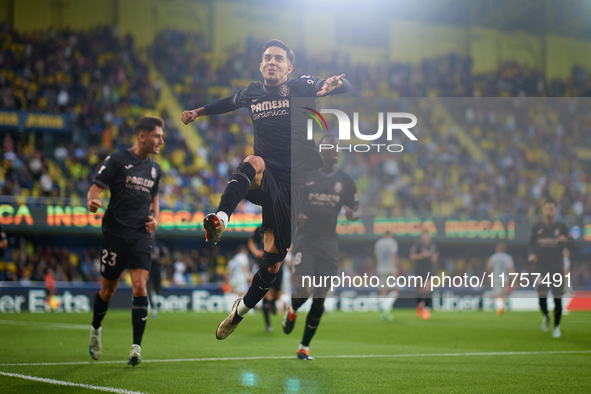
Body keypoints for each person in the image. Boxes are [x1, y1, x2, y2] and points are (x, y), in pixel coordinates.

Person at [181, 39, 350, 340]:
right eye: (267, 58)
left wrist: (333, 85)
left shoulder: (300, 87)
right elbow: (228, 103)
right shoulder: (252, 92)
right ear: (261, 65)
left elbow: (330, 86)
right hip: (265, 176)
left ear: (289, 67)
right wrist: (198, 111)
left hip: (294, 185)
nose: (272, 62)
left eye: (279, 59)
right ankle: (221, 217)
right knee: (252, 160)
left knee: (272, 267)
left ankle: (239, 312)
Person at [87, 116, 164, 365]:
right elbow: (95, 188)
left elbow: (154, 199)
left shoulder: (155, 169)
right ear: (142, 136)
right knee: (107, 291)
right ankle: (96, 329)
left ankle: (136, 347)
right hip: (115, 235)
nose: (161, 141)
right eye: (157, 136)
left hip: (141, 235)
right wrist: (93, 200)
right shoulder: (117, 160)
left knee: (140, 286)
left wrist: (156, 218)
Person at [282, 134, 360, 360]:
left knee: (320, 297)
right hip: (305, 239)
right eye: (330, 146)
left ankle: (304, 347)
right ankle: (293, 308)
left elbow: (357, 209)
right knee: (304, 290)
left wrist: (352, 214)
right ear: (321, 150)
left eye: (338, 146)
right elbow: (289, 202)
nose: (335, 149)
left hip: (328, 242)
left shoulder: (346, 181)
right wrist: (295, 216)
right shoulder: (306, 175)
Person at [528, 199, 573, 338]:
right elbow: (530, 244)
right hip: (541, 268)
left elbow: (574, 244)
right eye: (547, 208)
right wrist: (531, 254)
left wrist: (566, 241)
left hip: (557, 268)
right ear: (543, 210)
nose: (549, 211)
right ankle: (547, 317)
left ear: (556, 210)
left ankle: (556, 326)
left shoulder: (562, 227)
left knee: (557, 299)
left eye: (551, 208)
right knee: (541, 299)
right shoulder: (537, 227)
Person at [248, 225, 284, 331]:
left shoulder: (279, 228)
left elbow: (289, 244)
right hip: (263, 265)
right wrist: (255, 252)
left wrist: (283, 254)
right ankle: (268, 325)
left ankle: (272, 305)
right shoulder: (259, 229)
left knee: (276, 296)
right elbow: (251, 242)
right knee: (265, 295)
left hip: (278, 266)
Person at [409, 229, 438, 320]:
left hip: (429, 270)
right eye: (424, 236)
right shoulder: (417, 245)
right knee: (419, 290)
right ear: (422, 237)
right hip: (419, 270)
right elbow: (411, 256)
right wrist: (422, 255)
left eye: (427, 236)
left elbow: (434, 259)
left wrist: (433, 257)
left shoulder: (433, 246)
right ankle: (419, 305)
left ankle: (426, 309)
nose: (426, 238)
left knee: (428, 288)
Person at [374, 231, 399, 321]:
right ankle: (386, 306)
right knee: (395, 289)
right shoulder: (392, 242)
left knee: (383, 290)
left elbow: (376, 257)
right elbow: (393, 255)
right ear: (390, 235)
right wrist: (395, 268)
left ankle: (382, 308)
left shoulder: (378, 243)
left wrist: (379, 267)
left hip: (381, 268)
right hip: (390, 268)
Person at [486, 243, 515, 316]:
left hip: (496, 278)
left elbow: (489, 268)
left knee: (497, 294)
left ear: (497, 248)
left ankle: (500, 307)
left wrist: (488, 277)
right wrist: (514, 280)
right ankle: (502, 307)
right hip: (505, 278)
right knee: (503, 294)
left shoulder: (494, 257)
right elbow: (511, 270)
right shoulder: (508, 257)